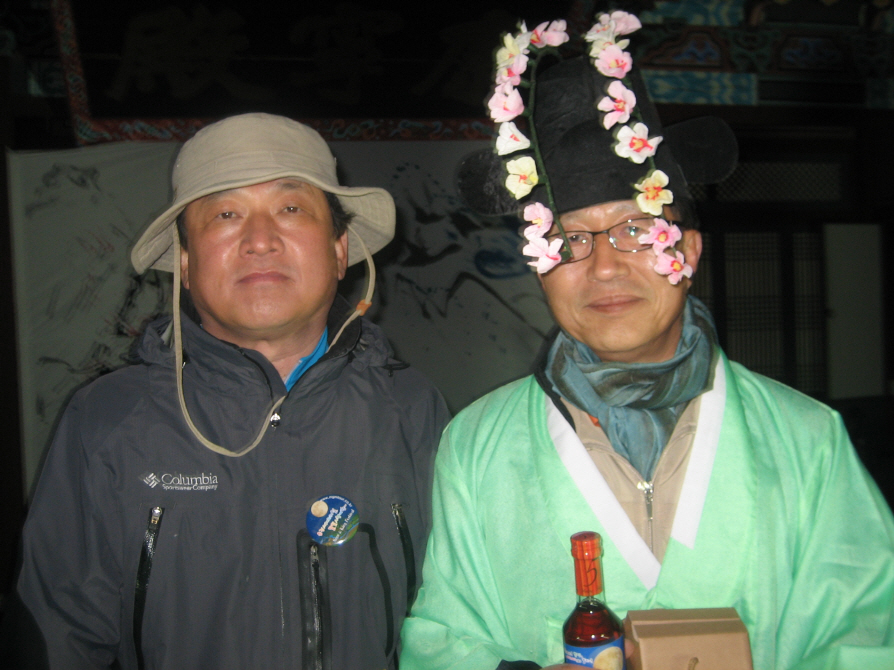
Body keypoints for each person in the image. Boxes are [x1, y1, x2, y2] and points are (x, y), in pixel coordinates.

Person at [400, 13, 894, 670]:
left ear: (688, 251)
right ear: (539, 268)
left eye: (637, 230)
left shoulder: (809, 441)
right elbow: (443, 641)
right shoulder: (475, 445)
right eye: (570, 239)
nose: (604, 267)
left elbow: (871, 637)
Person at [14, 113, 450, 669]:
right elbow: (56, 639)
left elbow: (458, 624)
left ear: (340, 249)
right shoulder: (107, 421)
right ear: (186, 261)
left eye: (291, 209)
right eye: (225, 214)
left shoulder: (411, 408)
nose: (260, 241)